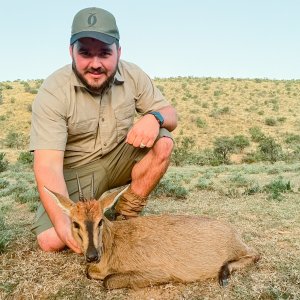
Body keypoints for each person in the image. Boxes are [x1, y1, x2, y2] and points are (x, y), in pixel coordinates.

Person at [29, 7, 177, 253]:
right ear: (71, 52)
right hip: (77, 172)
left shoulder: (133, 75)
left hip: (118, 159)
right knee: (50, 241)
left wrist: (155, 117)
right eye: (85, 53)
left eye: (105, 53)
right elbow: (47, 166)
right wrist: (66, 230)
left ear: (118, 52)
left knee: (164, 141)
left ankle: (126, 217)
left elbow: (171, 115)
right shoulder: (53, 90)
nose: (95, 64)